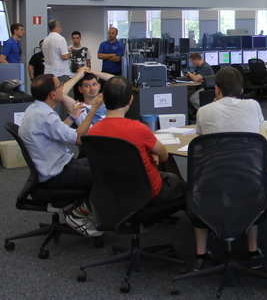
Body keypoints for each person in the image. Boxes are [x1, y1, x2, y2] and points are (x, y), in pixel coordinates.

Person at [192, 66, 265, 271]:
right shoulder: (253, 106)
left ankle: (200, 254)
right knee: (254, 188)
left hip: (212, 182)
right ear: (241, 89)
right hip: (248, 180)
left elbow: (200, 137)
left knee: (197, 188)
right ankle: (252, 250)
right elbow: (258, 131)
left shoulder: (204, 111)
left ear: (217, 89)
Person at [18, 74, 101, 236]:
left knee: (94, 162)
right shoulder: (46, 116)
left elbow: (57, 132)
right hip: (56, 173)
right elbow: (79, 139)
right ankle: (77, 214)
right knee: (102, 174)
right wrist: (93, 111)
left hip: (52, 165)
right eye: (59, 86)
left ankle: (83, 210)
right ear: (52, 95)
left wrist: (73, 117)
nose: (63, 88)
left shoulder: (36, 109)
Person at [88, 76, 185, 207]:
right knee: (177, 182)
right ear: (131, 99)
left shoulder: (93, 131)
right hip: (147, 191)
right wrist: (152, 152)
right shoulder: (139, 129)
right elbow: (164, 155)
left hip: (113, 189)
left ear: (104, 100)